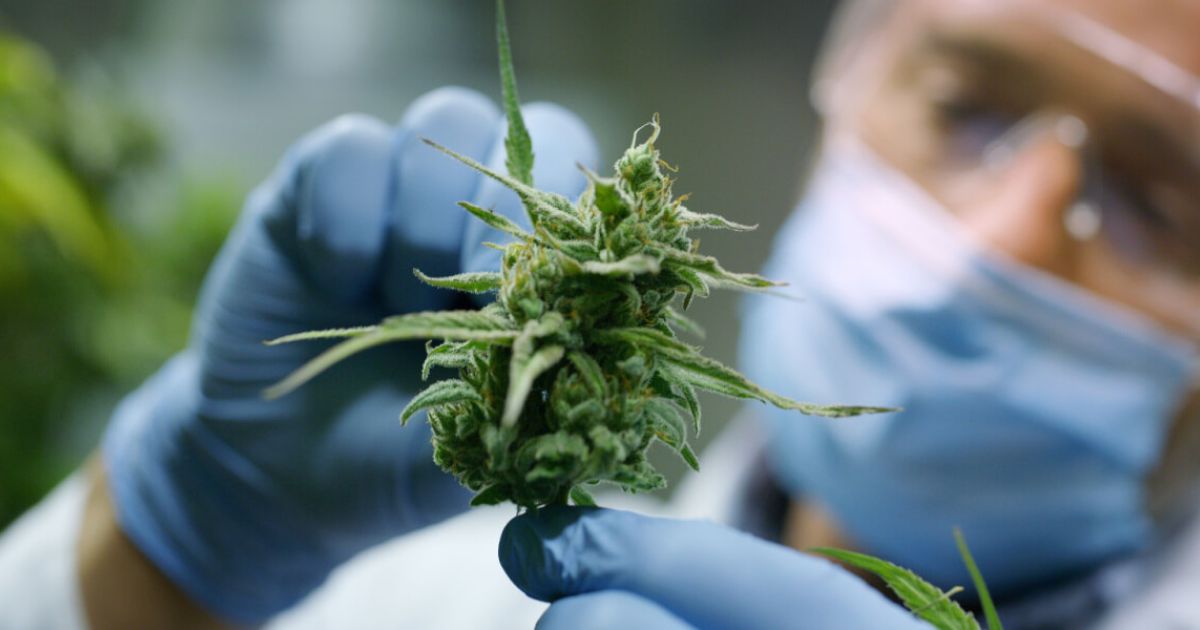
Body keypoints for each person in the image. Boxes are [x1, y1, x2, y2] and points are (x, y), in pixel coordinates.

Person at [1, 0, 1198, 628]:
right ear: (843, 94)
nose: (1007, 236)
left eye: (1162, 199)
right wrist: (160, 569)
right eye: (968, 106)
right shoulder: (415, 602)